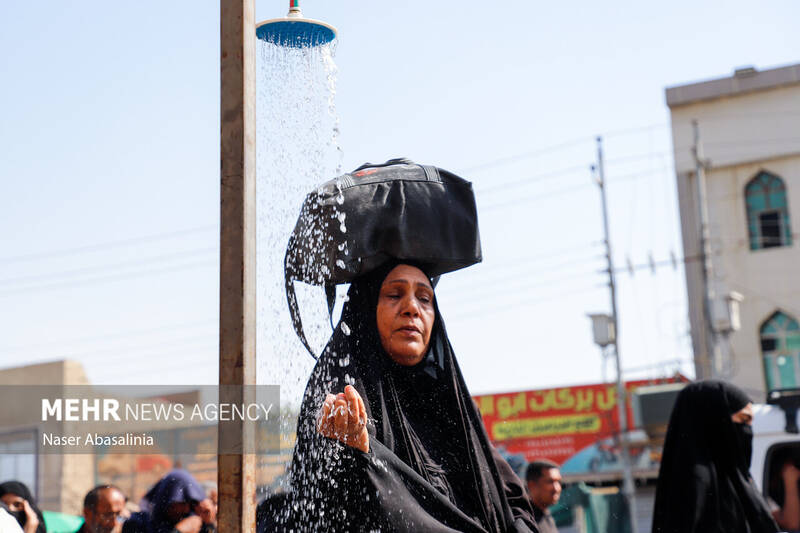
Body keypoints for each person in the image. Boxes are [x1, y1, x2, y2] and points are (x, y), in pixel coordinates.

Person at [268, 261, 539, 532]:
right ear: (366, 308)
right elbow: (327, 507)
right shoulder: (342, 397)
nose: (412, 308)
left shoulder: (454, 408)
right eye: (394, 295)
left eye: (425, 298)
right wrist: (359, 454)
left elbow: (511, 500)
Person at [652, 380, 779, 533]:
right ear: (716, 421)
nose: (748, 429)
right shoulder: (695, 484)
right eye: (744, 419)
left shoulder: (734, 480)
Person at [122, 470, 206, 533]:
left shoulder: (196, 523)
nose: (186, 509)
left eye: (191, 504)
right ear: (167, 498)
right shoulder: (137, 523)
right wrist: (178, 531)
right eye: (182, 503)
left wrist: (209, 524)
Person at [525, 460, 562, 533]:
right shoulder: (525, 520)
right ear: (532, 485)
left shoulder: (546, 515)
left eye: (559, 482)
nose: (556, 488)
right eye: (550, 482)